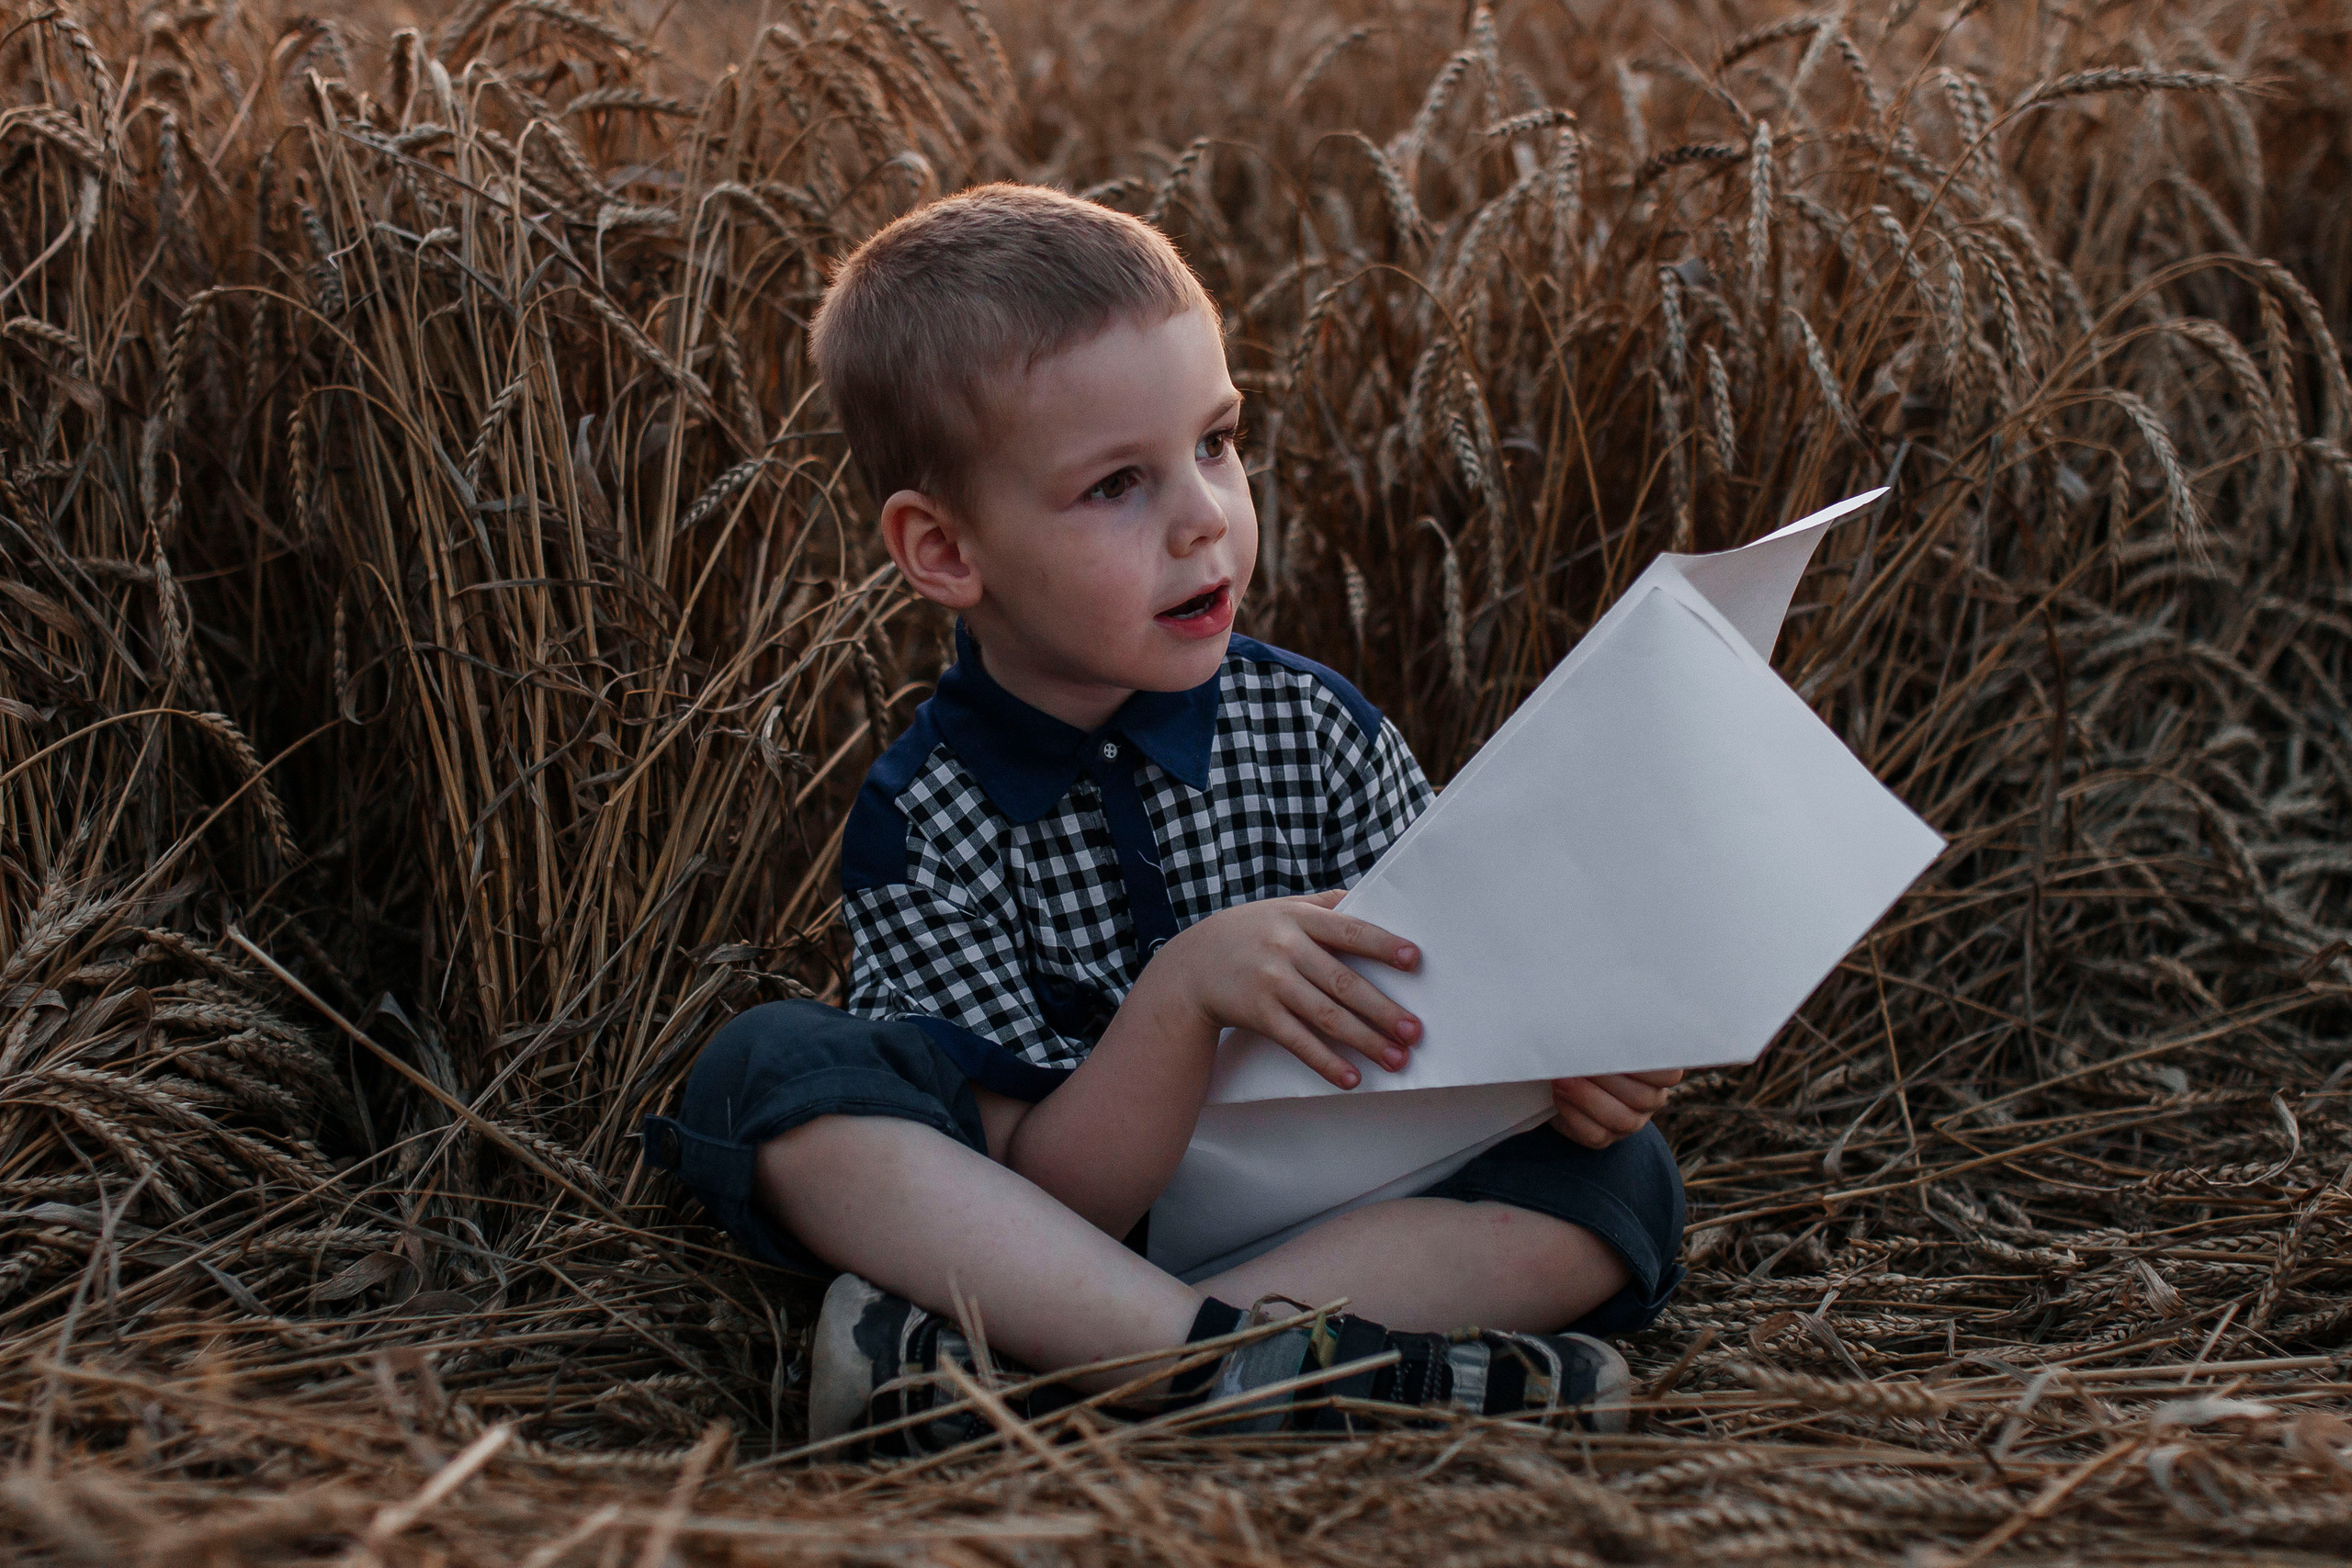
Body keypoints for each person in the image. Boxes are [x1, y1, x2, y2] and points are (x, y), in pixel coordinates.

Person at [640, 183, 1685, 1451]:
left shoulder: (1319, 734)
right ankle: (1271, 1378)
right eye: (1118, 486)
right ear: (946, 552)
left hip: (1330, 1211)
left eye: (1217, 442)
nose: (1205, 516)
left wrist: (1563, 1065)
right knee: (772, 1078)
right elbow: (1048, 1200)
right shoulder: (934, 821)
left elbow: (1449, 1016)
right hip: (1053, 1242)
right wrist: (1185, 996)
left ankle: (1053, 1387)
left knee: (1617, 1186)